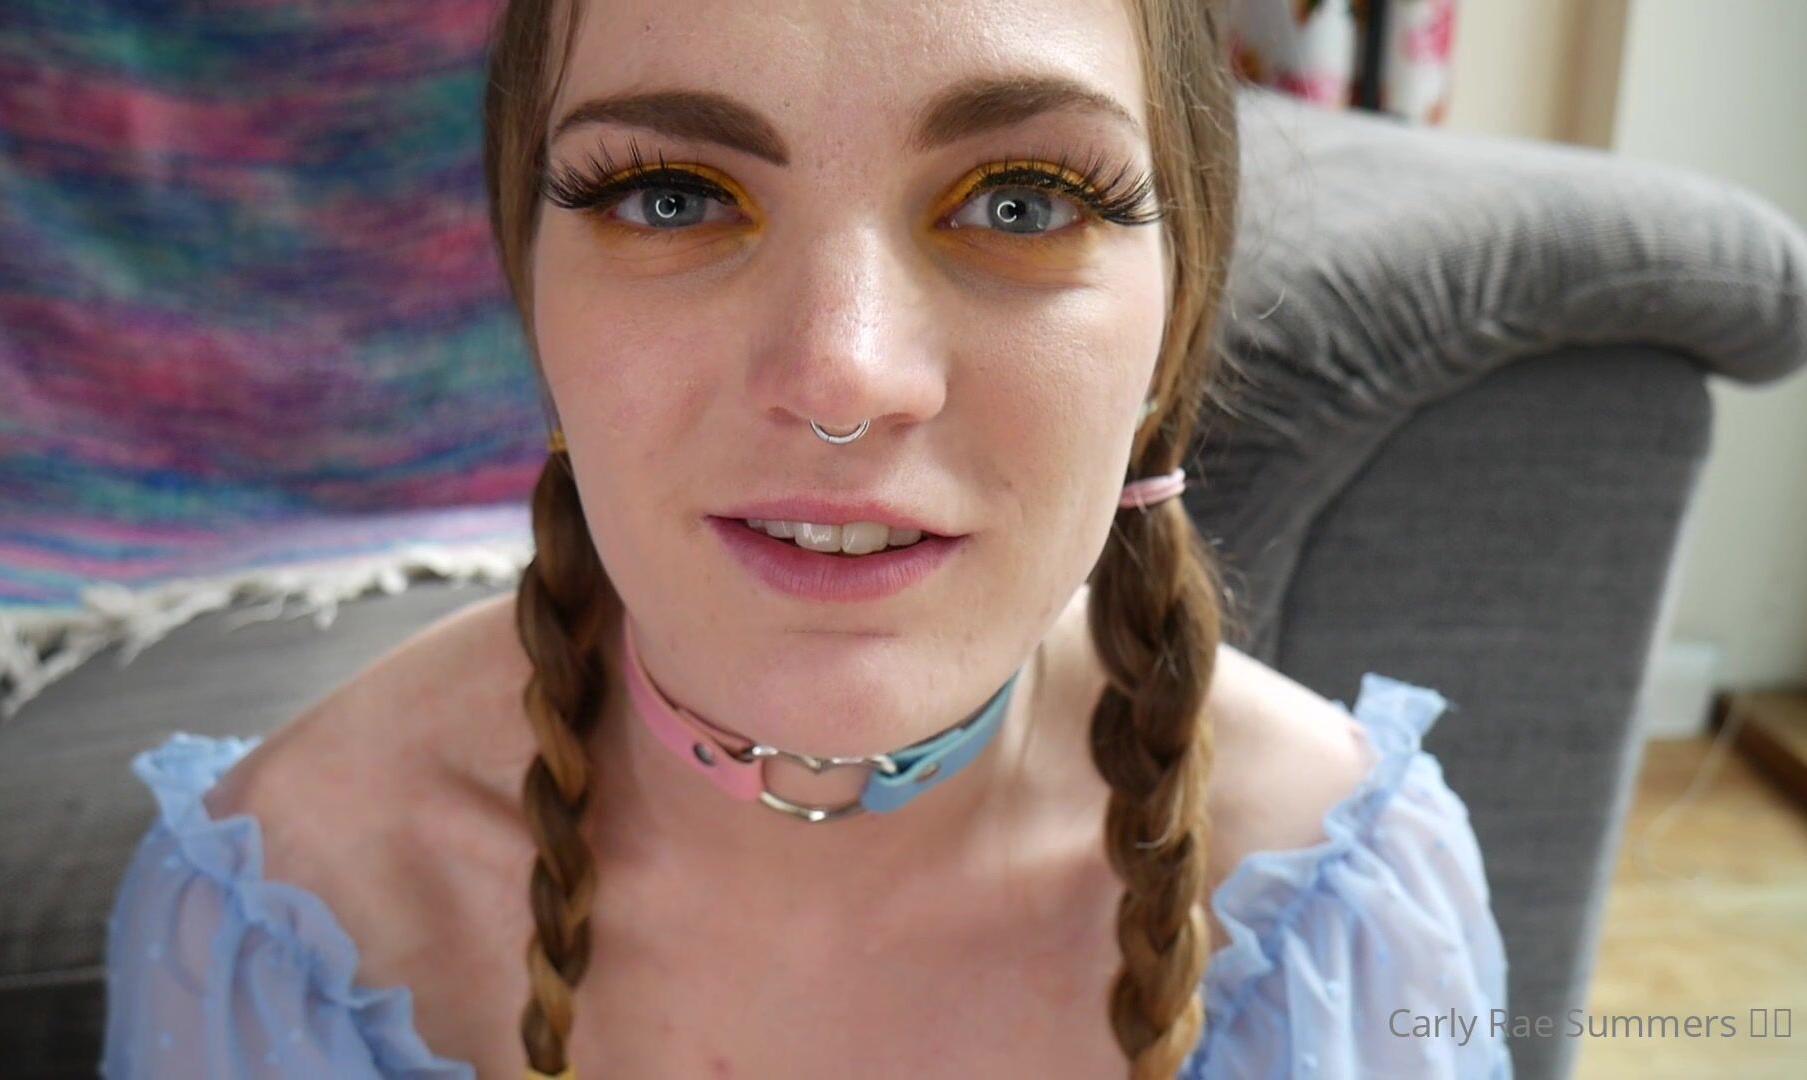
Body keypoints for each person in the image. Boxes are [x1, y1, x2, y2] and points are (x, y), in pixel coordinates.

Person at [101, 0, 1515, 1076]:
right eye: (672, 196)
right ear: (533, 298)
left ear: (1174, 316)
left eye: (1022, 202)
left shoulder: (1342, 911)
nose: (843, 376)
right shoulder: (289, 912)